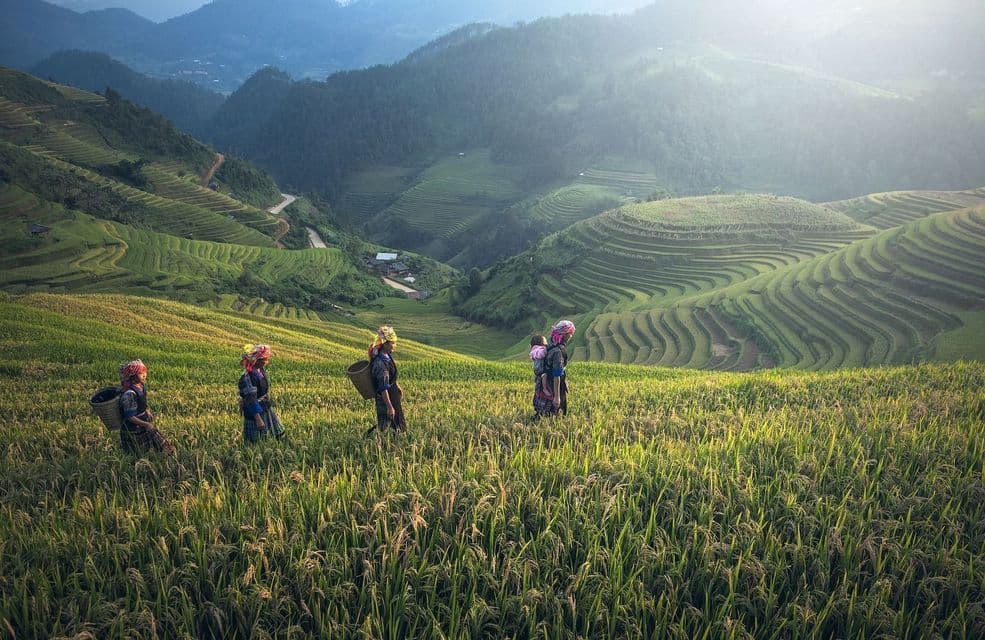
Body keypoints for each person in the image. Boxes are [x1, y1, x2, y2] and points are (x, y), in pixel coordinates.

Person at [119, 360, 175, 456]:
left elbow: (142, 403)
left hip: (142, 421)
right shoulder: (129, 394)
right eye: (140, 373)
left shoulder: (141, 386)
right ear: (133, 376)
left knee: (152, 436)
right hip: (133, 426)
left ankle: (166, 450)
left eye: (145, 372)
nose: (144, 375)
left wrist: (146, 411)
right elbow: (130, 416)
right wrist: (145, 424)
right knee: (136, 451)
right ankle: (164, 451)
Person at [239, 344, 285, 443]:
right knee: (256, 439)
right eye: (264, 360)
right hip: (254, 410)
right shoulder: (247, 377)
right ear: (257, 361)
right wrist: (258, 418)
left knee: (278, 433)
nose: (266, 362)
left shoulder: (260, 370)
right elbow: (250, 399)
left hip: (265, 405)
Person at [367, 326, 406, 435]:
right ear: (385, 344)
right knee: (385, 425)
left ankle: (394, 443)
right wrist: (389, 407)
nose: (395, 345)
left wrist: (397, 386)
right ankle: (374, 441)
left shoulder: (387, 356)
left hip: (392, 394)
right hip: (385, 398)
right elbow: (383, 387)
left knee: (397, 423)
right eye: (393, 343)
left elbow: (390, 378)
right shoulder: (380, 363)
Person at [544, 320, 576, 416]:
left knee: (547, 410)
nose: (571, 336)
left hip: (547, 382)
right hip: (555, 385)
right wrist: (557, 397)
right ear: (565, 335)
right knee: (557, 412)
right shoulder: (558, 352)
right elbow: (557, 374)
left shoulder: (551, 344)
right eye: (570, 333)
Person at [530, 334, 554, 417]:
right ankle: (544, 389)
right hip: (540, 370)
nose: (546, 344)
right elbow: (542, 354)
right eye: (545, 342)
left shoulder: (534, 350)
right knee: (544, 376)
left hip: (537, 370)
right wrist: (548, 348)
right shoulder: (540, 350)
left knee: (540, 380)